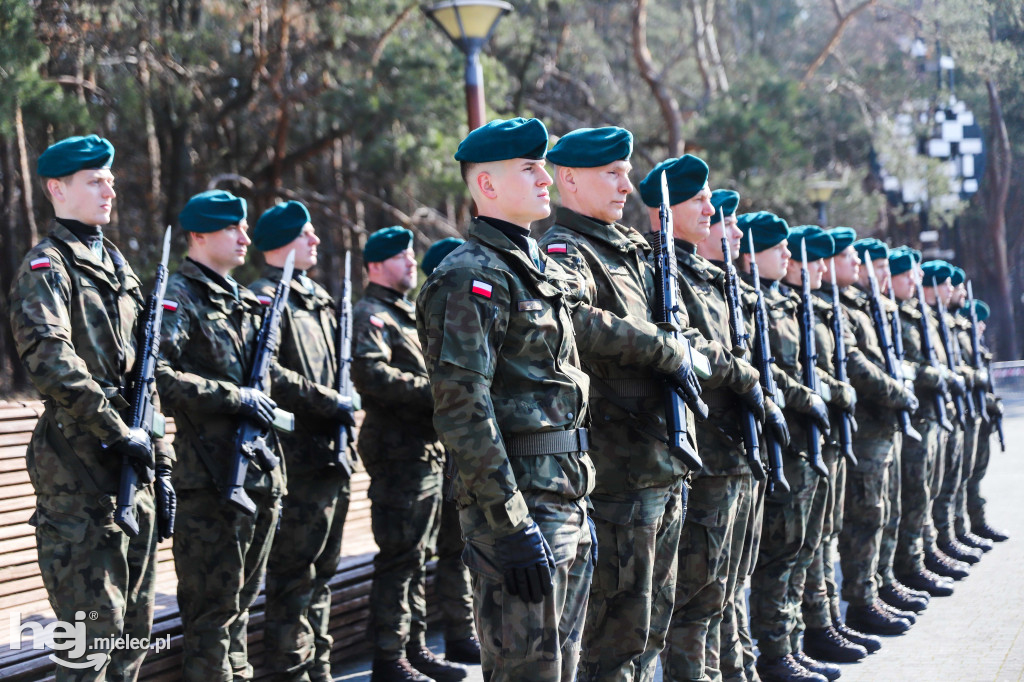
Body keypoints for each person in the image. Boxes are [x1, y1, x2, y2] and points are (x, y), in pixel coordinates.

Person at [416, 117, 703, 682]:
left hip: (569, 492)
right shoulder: (469, 276)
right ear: (488, 186)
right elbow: (462, 409)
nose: (545, 177)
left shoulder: (535, 271)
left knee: (569, 666)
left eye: (544, 166)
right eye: (529, 168)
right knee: (530, 672)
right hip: (522, 504)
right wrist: (509, 521)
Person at [156, 189, 353, 681]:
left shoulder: (242, 300)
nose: (246, 236)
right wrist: (233, 396)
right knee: (213, 616)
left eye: (244, 227)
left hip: (260, 475)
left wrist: (319, 401)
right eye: (232, 228)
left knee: (242, 605)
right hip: (211, 481)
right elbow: (157, 373)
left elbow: (272, 378)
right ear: (199, 235)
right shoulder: (178, 298)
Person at [538, 133, 707, 681]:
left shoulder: (631, 247)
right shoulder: (566, 249)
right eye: (612, 172)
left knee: (652, 627)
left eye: (625, 171)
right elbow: (579, 322)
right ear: (569, 179)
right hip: (620, 474)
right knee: (614, 638)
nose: (626, 185)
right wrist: (663, 348)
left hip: (661, 463)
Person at [9, 134, 174, 681]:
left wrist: (162, 459)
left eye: (110, 178)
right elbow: (51, 361)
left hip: (134, 470)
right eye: (94, 180)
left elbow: (145, 374)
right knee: (90, 643)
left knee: (131, 635)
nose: (110, 188)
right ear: (58, 188)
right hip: (80, 477)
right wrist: (114, 427)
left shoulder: (117, 264)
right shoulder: (47, 266)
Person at [645, 179, 786, 682]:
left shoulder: (715, 281)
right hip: (705, 457)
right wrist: (748, 379)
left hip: (736, 455)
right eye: (712, 211)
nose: (731, 229)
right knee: (697, 597)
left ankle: (740, 669)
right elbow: (696, 348)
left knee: (728, 585)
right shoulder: (661, 272)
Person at [352, 226, 469, 682]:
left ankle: (415, 648)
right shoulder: (371, 315)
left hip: (425, 450)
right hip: (399, 454)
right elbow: (373, 376)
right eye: (400, 257)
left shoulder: (402, 313)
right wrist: (439, 392)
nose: (409, 263)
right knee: (400, 559)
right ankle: (389, 657)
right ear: (376, 265)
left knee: (418, 557)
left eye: (409, 255)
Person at [249, 200, 355, 682]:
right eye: (306, 234)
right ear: (282, 243)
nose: (315, 240)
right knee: (294, 577)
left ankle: (320, 668)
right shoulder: (262, 298)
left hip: (332, 456)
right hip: (295, 463)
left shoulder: (317, 297)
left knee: (323, 575)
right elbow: (269, 373)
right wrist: (328, 400)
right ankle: (290, 671)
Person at [736, 214, 830, 682]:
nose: (789, 257)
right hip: (781, 443)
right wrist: (806, 396)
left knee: (801, 549)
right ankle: (774, 652)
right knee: (779, 555)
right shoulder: (751, 303)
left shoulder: (785, 303)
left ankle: (790, 644)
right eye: (780, 251)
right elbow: (765, 369)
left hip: (802, 443)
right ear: (753, 256)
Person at [834, 239, 919, 638]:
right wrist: (898, 391)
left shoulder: (869, 306)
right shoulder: (844, 306)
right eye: (874, 266)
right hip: (866, 430)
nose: (882, 275)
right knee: (865, 518)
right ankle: (861, 601)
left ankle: (879, 586)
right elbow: (856, 365)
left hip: (883, 428)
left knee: (886, 511)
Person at [799, 227, 868, 666]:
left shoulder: (824, 307)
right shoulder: (777, 305)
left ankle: (827, 621)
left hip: (827, 438)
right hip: (797, 444)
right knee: (793, 554)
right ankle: (784, 647)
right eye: (816, 259)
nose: (823, 268)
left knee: (826, 535)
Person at [420, 236, 481, 667]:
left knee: (458, 551)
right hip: (423, 458)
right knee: (438, 553)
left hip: (446, 455)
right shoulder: (435, 311)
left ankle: (463, 632)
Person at [888, 247, 955, 599]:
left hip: (928, 416)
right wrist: (936, 374)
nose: (915, 281)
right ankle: (910, 564)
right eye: (908, 275)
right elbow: (908, 365)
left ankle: (925, 554)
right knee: (912, 497)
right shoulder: (895, 316)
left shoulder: (917, 315)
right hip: (911, 418)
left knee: (929, 490)